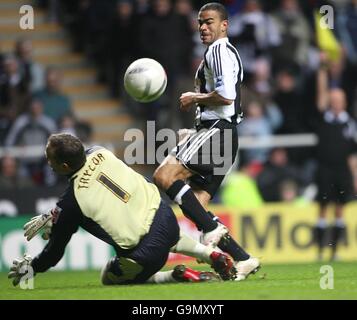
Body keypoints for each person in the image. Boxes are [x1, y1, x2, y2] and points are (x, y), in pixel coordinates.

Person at [8, 133, 236, 287]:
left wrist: (33, 267)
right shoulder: (100, 152)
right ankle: (210, 253)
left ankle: (174, 275)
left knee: (108, 275)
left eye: (50, 159)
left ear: (64, 166)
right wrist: (55, 213)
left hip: (146, 255)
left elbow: (55, 252)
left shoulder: (71, 203)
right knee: (160, 229)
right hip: (165, 216)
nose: (48, 162)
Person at [153, 2, 260, 281]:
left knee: (164, 175)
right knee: (197, 209)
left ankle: (212, 231)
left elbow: (225, 96)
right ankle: (244, 259)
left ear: (224, 25)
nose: (203, 27)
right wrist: (196, 130)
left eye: (209, 22)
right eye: (200, 22)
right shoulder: (224, 53)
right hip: (224, 136)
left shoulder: (218, 50)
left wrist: (194, 97)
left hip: (218, 132)